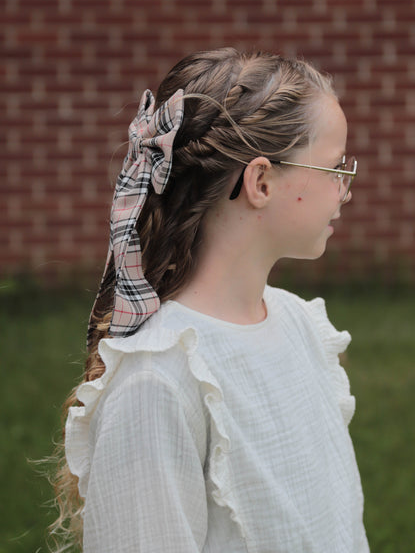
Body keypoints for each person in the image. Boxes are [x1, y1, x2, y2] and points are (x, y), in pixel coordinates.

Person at [53, 47, 369, 552]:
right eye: (335, 169)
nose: (344, 191)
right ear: (261, 181)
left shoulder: (298, 325)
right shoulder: (161, 380)